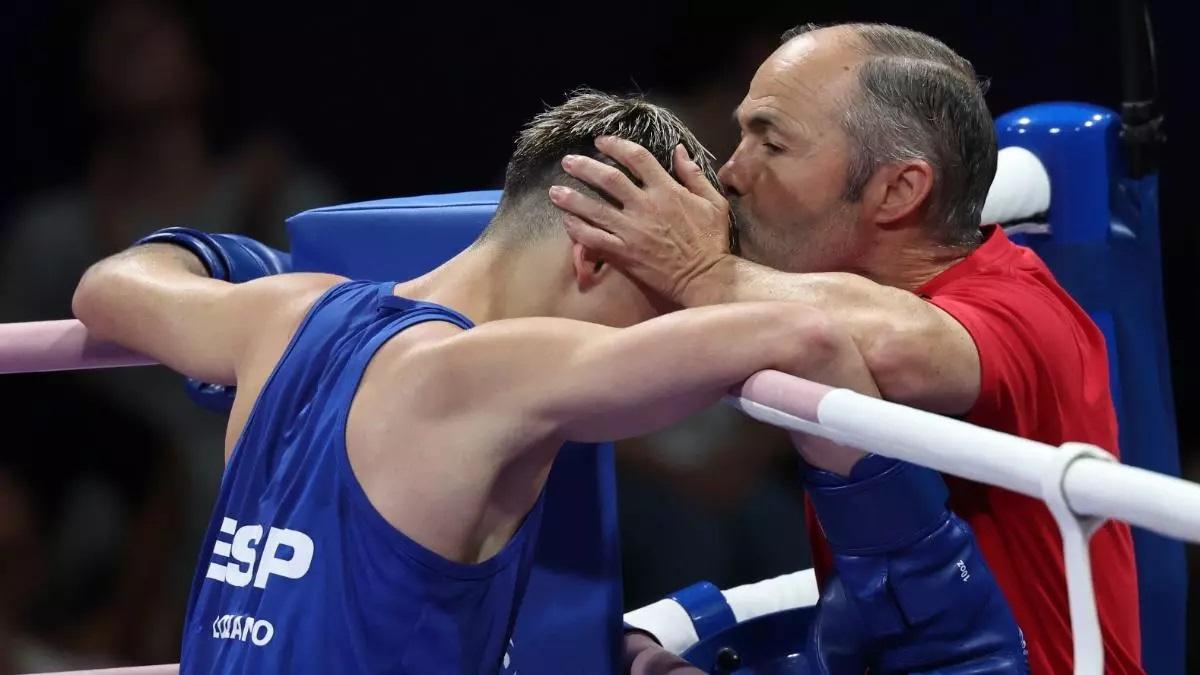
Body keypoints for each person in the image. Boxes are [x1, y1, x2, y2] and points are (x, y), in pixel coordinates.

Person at [71, 91, 1023, 674]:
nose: (667, 325)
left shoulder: (278, 317)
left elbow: (110, 284)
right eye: (658, 298)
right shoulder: (500, 375)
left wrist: (249, 262)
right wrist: (945, 646)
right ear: (594, 253)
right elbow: (814, 337)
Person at [550, 22, 1141, 674]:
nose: (732, 170)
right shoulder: (826, 291)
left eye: (770, 142)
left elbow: (905, 344)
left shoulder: (1023, 310)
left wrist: (701, 274)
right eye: (742, 131)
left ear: (897, 191)